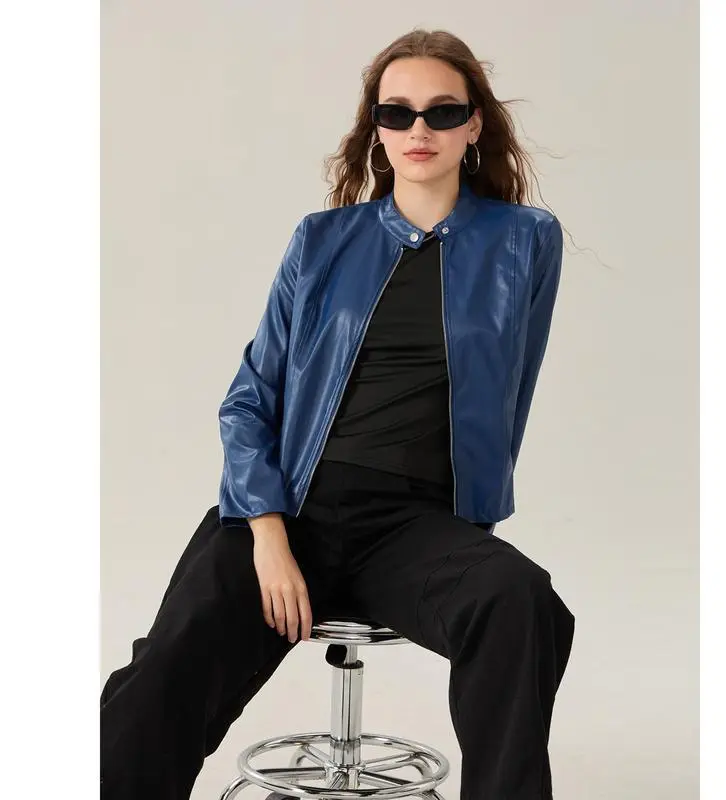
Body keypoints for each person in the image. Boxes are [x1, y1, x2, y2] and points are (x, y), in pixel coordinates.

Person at [100, 27, 576, 800]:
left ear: (473, 125)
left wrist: (474, 521)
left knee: (522, 601)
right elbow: (249, 400)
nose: (419, 129)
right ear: (375, 127)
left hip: (416, 529)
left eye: (442, 111)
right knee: (160, 678)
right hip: (291, 512)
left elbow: (513, 388)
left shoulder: (524, 241)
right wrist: (267, 535)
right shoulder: (322, 241)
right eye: (397, 112)